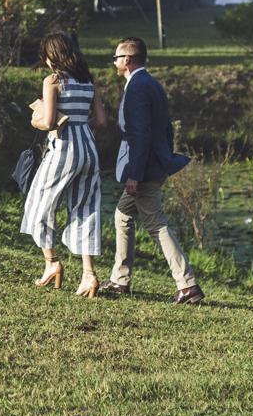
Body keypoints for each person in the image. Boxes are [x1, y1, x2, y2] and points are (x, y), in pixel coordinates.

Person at [103, 37, 203, 305]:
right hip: (154, 163)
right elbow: (166, 129)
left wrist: (135, 174)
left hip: (144, 168)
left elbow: (140, 134)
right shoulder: (152, 84)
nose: (114, 62)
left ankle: (187, 285)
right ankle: (119, 279)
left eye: (116, 57)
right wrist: (164, 158)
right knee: (122, 216)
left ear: (127, 60)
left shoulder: (137, 88)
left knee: (156, 224)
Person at [19, 33, 110, 297]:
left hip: (64, 150)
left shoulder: (53, 81)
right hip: (89, 150)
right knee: (85, 210)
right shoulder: (89, 81)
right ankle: (89, 276)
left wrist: (34, 121)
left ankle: (52, 262)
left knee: (37, 204)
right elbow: (102, 121)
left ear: (53, 55)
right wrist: (82, 124)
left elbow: (48, 122)